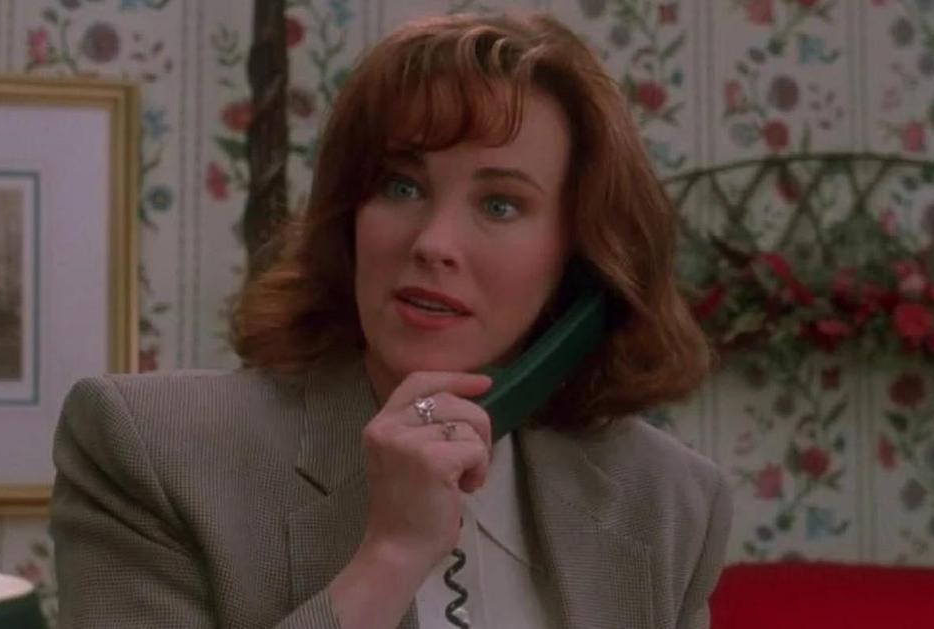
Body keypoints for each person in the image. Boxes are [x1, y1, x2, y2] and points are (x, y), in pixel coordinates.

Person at [51, 12, 731, 629]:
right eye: (401, 186)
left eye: (499, 204)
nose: (433, 242)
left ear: (580, 258)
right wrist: (390, 557)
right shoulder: (150, 450)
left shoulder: (669, 502)